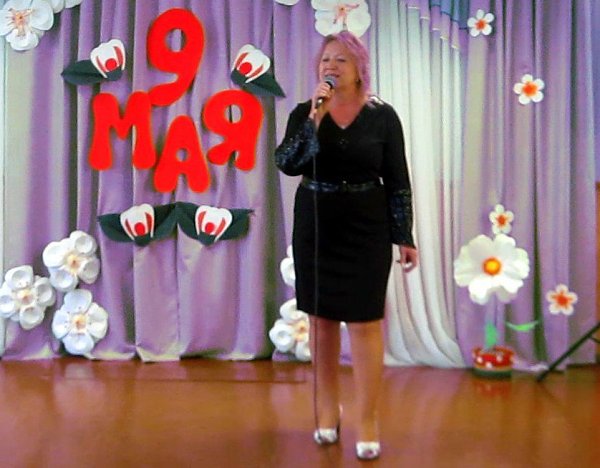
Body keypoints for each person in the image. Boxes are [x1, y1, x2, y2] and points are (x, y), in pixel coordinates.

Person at [274, 31, 418, 461]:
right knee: (321, 322)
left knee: (365, 323)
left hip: (366, 226)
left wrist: (403, 235)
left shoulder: (383, 116)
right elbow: (288, 162)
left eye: (340, 60)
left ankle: (367, 419)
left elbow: (398, 179)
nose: (331, 66)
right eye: (325, 60)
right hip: (317, 225)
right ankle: (325, 410)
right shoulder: (305, 112)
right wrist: (315, 118)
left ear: (359, 69)